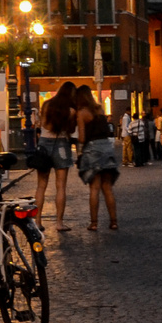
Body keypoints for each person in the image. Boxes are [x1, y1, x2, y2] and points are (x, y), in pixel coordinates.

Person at [74, 85, 120, 230]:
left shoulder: (81, 113)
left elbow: (81, 138)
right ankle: (113, 222)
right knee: (107, 187)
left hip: (93, 148)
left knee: (94, 188)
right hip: (106, 147)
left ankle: (94, 223)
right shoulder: (100, 110)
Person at [32, 82, 76, 228]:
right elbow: (71, 130)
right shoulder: (70, 111)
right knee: (61, 186)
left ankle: (37, 221)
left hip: (44, 144)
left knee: (41, 186)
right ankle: (59, 222)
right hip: (62, 144)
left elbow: (43, 124)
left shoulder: (46, 105)